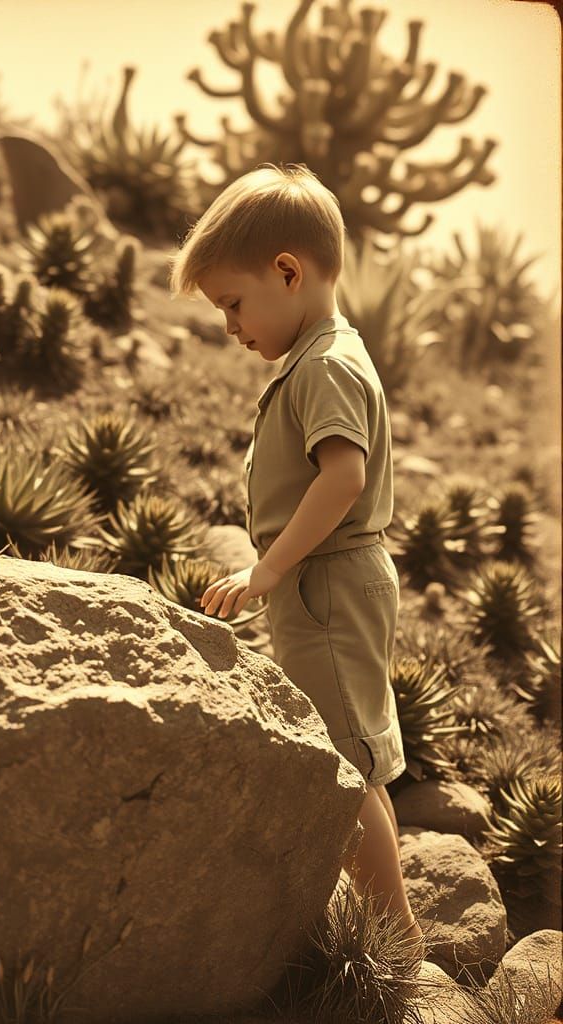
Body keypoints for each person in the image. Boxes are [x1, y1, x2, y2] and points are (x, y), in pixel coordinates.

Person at [167, 162, 425, 961]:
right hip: (323, 582)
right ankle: (382, 926)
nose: (232, 326)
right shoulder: (316, 356)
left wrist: (268, 570)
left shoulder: (325, 364)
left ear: (288, 271)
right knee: (347, 754)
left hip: (326, 580)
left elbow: (343, 478)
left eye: (234, 304)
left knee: (346, 769)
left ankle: (395, 948)